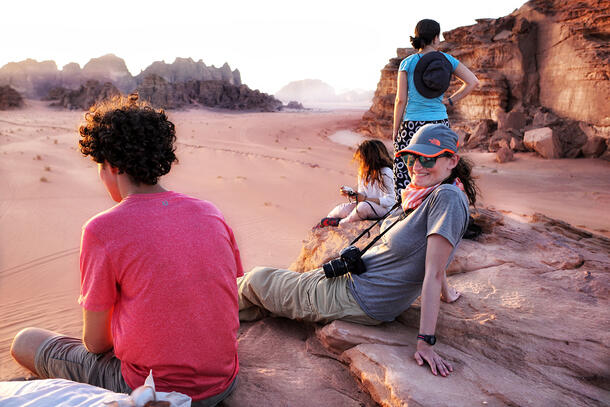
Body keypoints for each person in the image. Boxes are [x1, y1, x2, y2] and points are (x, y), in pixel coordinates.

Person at [10, 95, 243, 406]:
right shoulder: (210, 212)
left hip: (151, 386)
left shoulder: (102, 229)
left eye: (99, 166)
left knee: (25, 340)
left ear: (112, 165)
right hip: (223, 382)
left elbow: (95, 343)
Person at [238, 124, 478, 377]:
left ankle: (202, 310)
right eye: (412, 157)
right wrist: (447, 294)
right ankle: (218, 312)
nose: (417, 166)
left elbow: (434, 271)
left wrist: (425, 343)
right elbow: (435, 255)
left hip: (359, 297)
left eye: (428, 158)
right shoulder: (429, 194)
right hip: (354, 283)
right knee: (264, 293)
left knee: (257, 278)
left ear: (452, 160)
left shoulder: (447, 198)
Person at [392, 18, 479, 202]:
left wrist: (395, 131)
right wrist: (450, 101)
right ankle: (442, 206)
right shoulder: (447, 60)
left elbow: (400, 100)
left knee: (407, 169)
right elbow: (473, 82)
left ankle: (406, 209)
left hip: (412, 125)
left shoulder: (407, 63)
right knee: (441, 169)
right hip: (439, 123)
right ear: (436, 38)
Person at [317, 139, 396, 227]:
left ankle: (341, 223)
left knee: (363, 207)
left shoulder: (386, 172)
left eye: (362, 157)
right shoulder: (363, 172)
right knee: (341, 209)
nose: (360, 160)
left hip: (384, 209)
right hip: (366, 203)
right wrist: (353, 195)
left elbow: (391, 200)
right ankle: (325, 222)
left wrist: (365, 199)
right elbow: (363, 193)